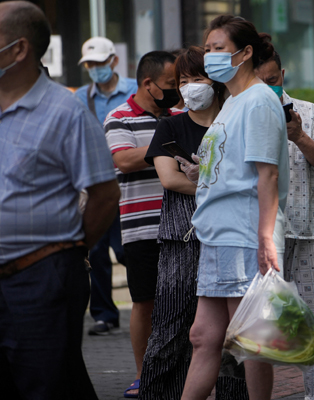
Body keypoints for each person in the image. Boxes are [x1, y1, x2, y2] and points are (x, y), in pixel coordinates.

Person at [0, 2, 120, 399]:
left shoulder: (66, 112)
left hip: (42, 275)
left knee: (46, 383)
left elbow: (104, 196)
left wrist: (68, 249)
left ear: (19, 50)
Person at [178, 16, 288, 400]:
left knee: (253, 339)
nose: (210, 56)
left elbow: (267, 175)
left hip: (242, 233)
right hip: (218, 231)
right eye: (208, 48)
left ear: (244, 54)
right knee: (203, 336)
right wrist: (202, 172)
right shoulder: (233, 101)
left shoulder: (258, 100)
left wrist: (264, 237)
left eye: (218, 48)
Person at [139, 46, 246, 400]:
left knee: (233, 336)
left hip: (229, 239)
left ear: (215, 81)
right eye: (183, 81)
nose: (189, 87)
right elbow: (170, 180)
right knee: (169, 330)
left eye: (197, 78)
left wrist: (208, 182)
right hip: (181, 242)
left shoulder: (233, 121)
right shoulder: (170, 125)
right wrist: (218, 185)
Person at [255, 49, 314, 400]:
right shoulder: (237, 113)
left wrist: (300, 137)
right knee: (254, 324)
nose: (266, 88)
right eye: (258, 82)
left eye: (272, 81)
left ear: (283, 74)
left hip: (304, 229)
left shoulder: (307, 111)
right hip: (257, 236)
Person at [103, 50, 180, 398]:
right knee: (144, 302)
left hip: (182, 226)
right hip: (140, 228)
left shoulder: (179, 114)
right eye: (170, 85)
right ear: (147, 84)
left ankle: (179, 373)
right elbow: (124, 159)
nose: (176, 91)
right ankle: (142, 373)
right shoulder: (119, 117)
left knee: (183, 302)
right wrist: (167, 140)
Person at [74, 36, 138, 336]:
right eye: (90, 64)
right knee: (96, 249)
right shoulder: (80, 98)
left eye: (100, 63)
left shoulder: (135, 90)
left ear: (113, 61)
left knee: (128, 249)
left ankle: (146, 303)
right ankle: (104, 314)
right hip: (96, 184)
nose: (95, 69)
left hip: (129, 182)